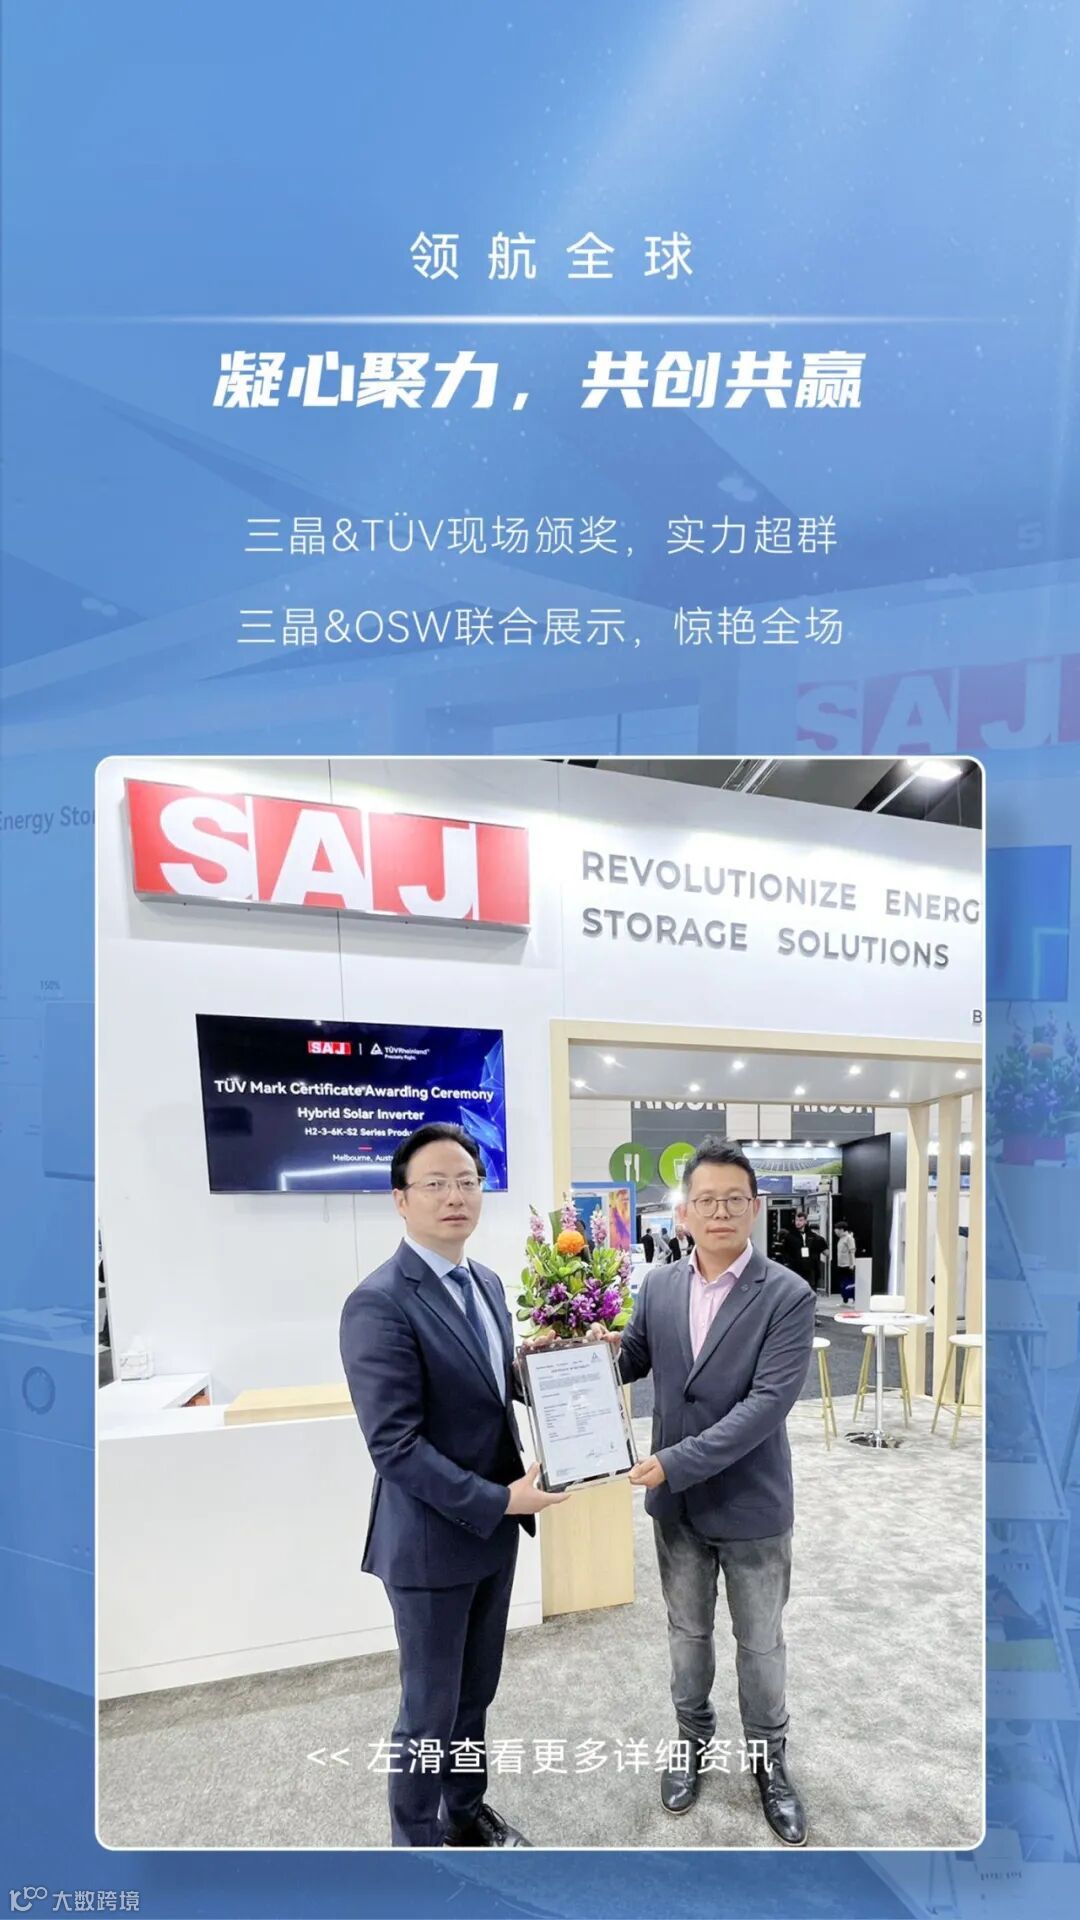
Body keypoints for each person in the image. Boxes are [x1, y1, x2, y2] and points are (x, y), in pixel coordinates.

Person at [339, 1122, 568, 1849]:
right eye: (435, 1183)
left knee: (475, 1695)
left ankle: (464, 1814)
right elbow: (395, 1446)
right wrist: (502, 1499)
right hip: (431, 1542)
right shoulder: (379, 1302)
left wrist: (555, 1368)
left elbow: (491, 1385)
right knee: (428, 1712)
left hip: (494, 1536)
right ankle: (415, 1849)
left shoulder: (487, 1283)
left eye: (467, 1181)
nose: (455, 1196)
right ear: (400, 1199)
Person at [593, 1140, 815, 1845]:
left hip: (751, 1505)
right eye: (706, 1200)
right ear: (683, 1212)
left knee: (760, 1644)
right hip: (679, 1511)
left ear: (755, 1207)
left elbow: (765, 1407)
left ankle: (768, 1762)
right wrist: (584, 1354)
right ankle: (692, 1741)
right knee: (687, 1636)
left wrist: (672, 1462)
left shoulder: (787, 1294)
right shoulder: (660, 1285)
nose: (720, 1212)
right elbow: (634, 1358)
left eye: (733, 1200)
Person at [778, 1211, 826, 1291]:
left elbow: (824, 1251)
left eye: (800, 1220)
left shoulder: (814, 1237)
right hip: (796, 1267)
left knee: (810, 1288)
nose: (798, 1222)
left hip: (810, 1267)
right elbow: (785, 1252)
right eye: (796, 1220)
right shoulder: (790, 1237)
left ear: (805, 1221)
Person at [834, 1222, 856, 1303]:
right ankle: (845, 1299)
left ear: (842, 1230)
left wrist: (852, 1264)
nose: (835, 1231)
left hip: (848, 1265)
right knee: (842, 1283)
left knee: (850, 1283)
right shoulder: (841, 1239)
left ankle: (853, 1298)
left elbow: (852, 1252)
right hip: (841, 1265)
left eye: (836, 1229)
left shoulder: (849, 1238)